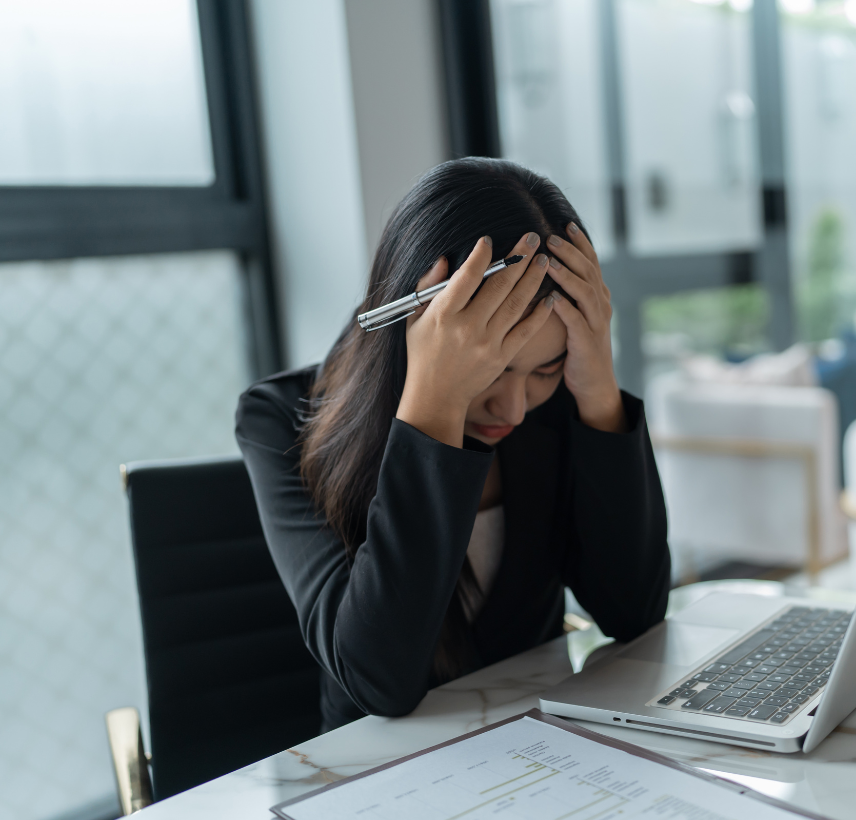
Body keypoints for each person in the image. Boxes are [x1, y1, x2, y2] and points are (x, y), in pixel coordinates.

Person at [236, 158, 670, 731]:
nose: (514, 408)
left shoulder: (562, 401)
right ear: (416, 330)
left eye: (545, 369)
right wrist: (432, 404)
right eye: (494, 369)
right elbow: (378, 681)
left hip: (544, 746)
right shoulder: (279, 420)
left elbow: (633, 612)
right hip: (375, 774)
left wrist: (597, 390)